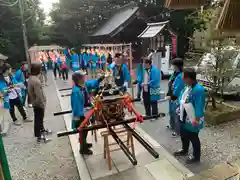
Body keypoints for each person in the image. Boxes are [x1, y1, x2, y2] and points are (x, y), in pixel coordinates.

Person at [174, 68, 205, 164]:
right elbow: (181, 97)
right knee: (183, 134)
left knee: (193, 136)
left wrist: (197, 119)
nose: (182, 78)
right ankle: (184, 149)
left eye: (184, 77)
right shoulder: (187, 86)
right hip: (183, 114)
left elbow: (199, 105)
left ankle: (196, 156)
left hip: (193, 117)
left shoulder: (198, 89)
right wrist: (179, 107)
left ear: (189, 78)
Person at [71, 71, 98, 155]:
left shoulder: (83, 86)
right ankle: (82, 149)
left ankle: (84, 143)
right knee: (82, 130)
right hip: (81, 114)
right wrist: (78, 119)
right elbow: (76, 106)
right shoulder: (76, 91)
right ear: (79, 79)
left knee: (86, 130)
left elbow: (91, 84)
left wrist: (100, 79)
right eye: (83, 77)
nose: (85, 78)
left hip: (86, 111)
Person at [28, 63, 51, 143]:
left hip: (35, 102)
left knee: (39, 118)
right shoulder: (36, 81)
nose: (41, 70)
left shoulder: (31, 78)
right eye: (40, 69)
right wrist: (42, 103)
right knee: (39, 119)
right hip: (38, 103)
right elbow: (39, 95)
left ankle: (41, 131)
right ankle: (39, 136)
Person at [166, 58, 185, 137]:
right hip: (171, 95)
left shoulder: (181, 76)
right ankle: (172, 125)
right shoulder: (174, 73)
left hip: (176, 98)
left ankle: (177, 131)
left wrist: (172, 97)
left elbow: (178, 88)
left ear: (177, 66)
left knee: (176, 114)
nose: (172, 66)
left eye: (173, 65)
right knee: (171, 112)